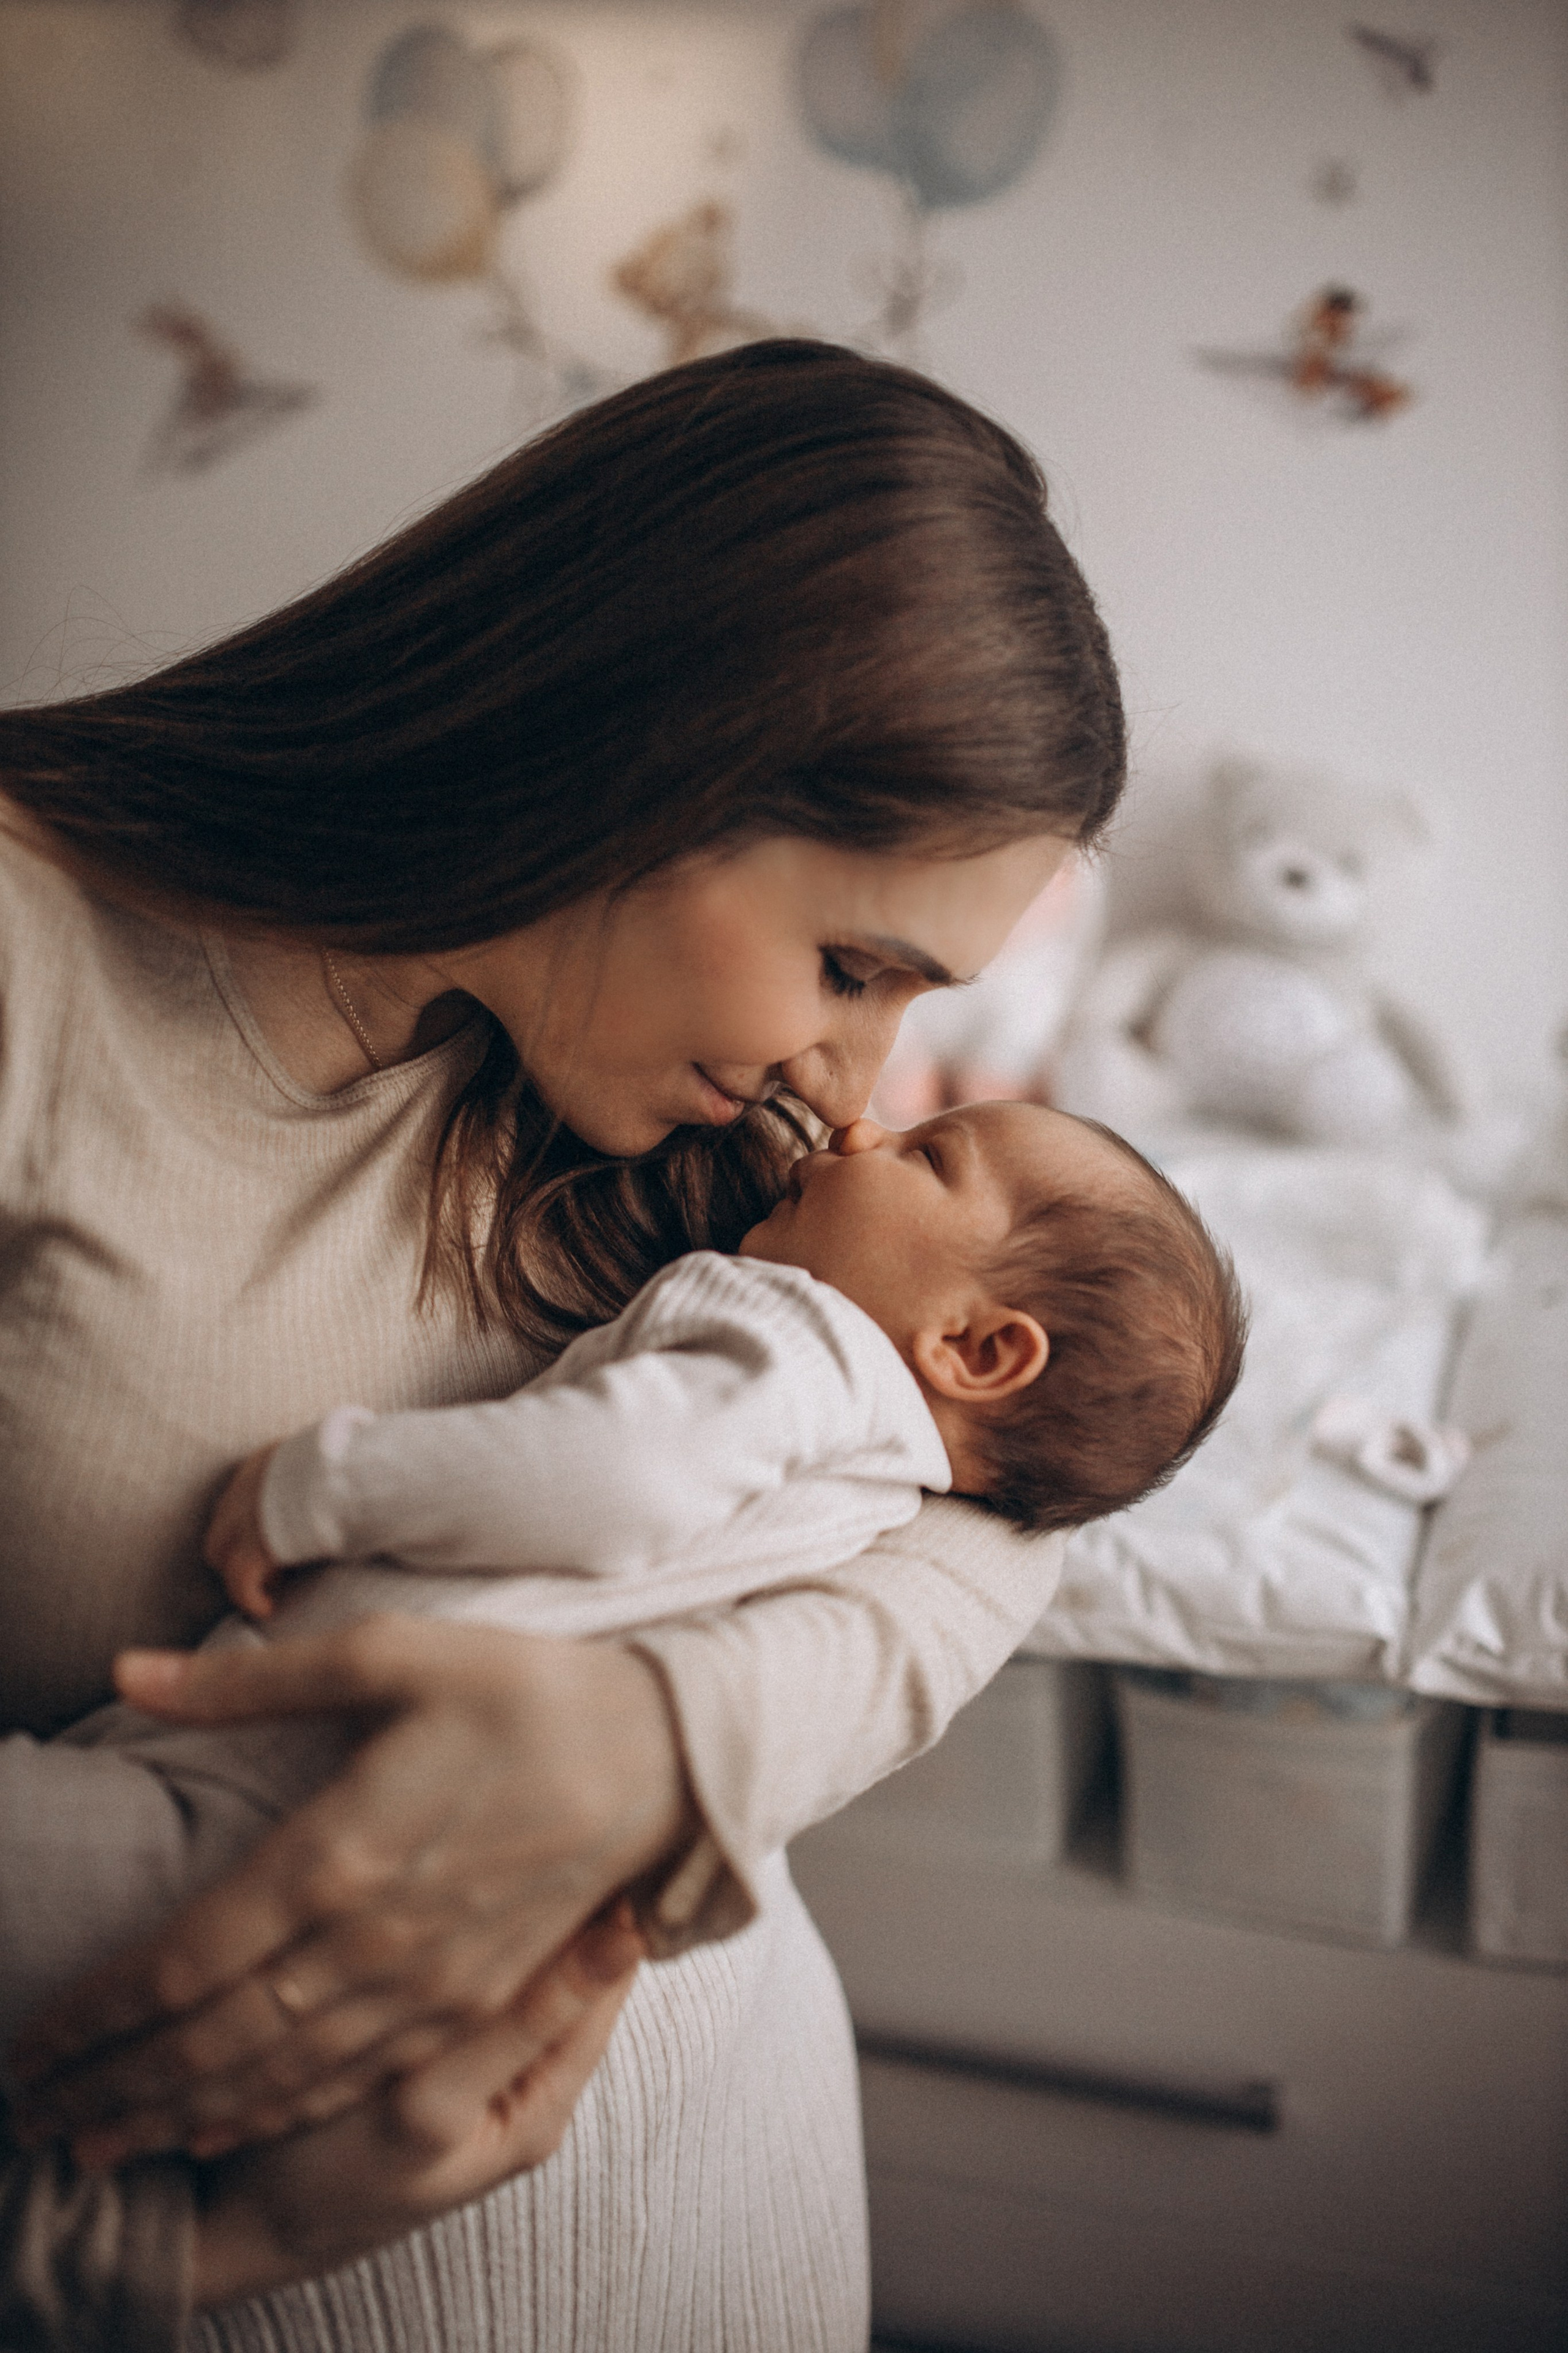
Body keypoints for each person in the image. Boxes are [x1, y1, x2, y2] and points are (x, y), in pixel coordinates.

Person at [0, 339, 1126, 2352]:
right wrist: (156, 2262)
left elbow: (1034, 1478)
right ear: (646, 749)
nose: (856, 1082)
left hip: (738, 2202)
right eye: (852, 965)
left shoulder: (701, 1107)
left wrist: (669, 1747)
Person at [1, 1100, 1246, 2078]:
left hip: (279, 1802)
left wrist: (321, 1483)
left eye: (928, 1156)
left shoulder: (803, 1341)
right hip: (372, 1840)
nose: (858, 1121)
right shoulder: (885, 1488)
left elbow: (611, 1472)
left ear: (976, 1348)